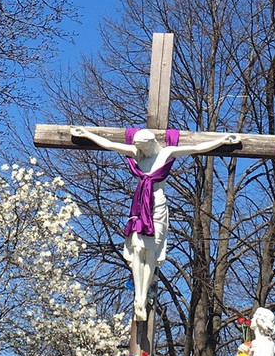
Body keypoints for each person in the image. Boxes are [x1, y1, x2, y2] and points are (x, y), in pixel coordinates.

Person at [70, 126, 240, 320]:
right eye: (139, 148)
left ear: (151, 143)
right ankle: (139, 299)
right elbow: (110, 144)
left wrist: (223, 140)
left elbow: (198, 148)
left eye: (144, 147)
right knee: (137, 250)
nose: (142, 151)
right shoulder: (138, 153)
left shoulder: (166, 152)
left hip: (157, 206)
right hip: (140, 206)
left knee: (150, 252)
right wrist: (88, 134)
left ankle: (142, 296)